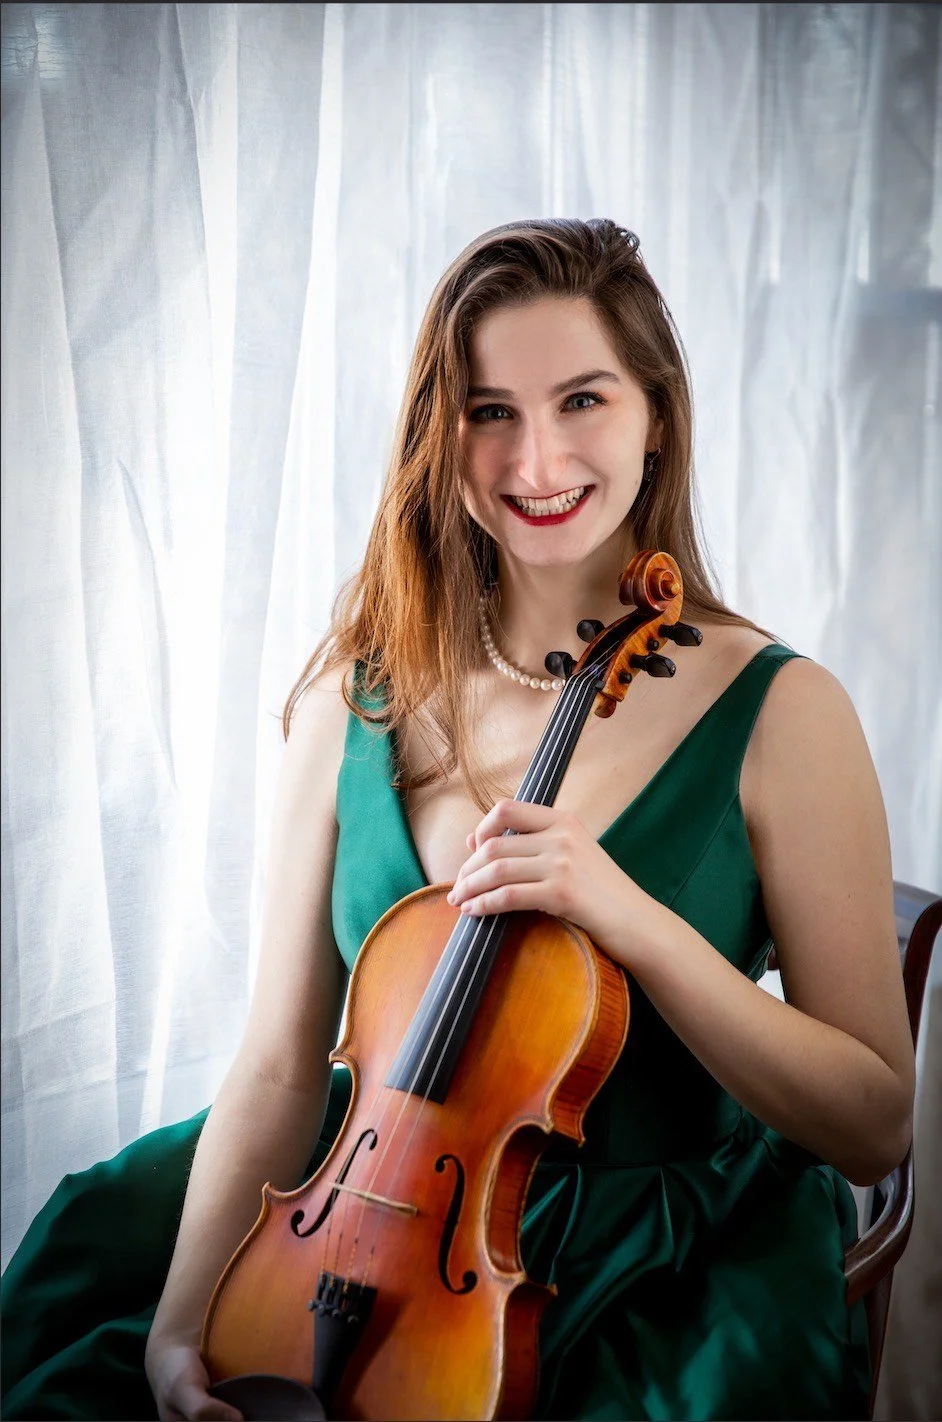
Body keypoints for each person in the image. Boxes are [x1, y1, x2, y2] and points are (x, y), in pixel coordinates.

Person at [1, 218, 915, 1422]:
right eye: (489, 412)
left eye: (581, 399)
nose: (535, 460)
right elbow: (281, 1065)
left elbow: (874, 1121)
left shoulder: (784, 713)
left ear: (656, 413)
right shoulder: (353, 696)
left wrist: (627, 918)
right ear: (443, 436)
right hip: (354, 1217)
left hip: (651, 1267)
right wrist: (188, 1330)